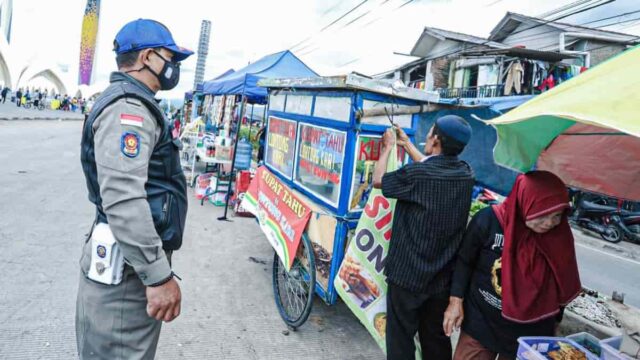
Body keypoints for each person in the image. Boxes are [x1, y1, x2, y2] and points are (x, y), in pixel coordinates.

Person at [76, 18, 193, 359]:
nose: (173, 67)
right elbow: (124, 200)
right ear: (146, 58)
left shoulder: (133, 103)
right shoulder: (129, 109)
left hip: (128, 263)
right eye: (169, 58)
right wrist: (158, 277)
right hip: (128, 272)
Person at [444, 171, 582, 359]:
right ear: (525, 202)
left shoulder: (558, 236)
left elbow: (562, 281)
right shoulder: (488, 221)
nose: (549, 223)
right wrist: (455, 301)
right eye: (542, 214)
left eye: (556, 215)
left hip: (530, 332)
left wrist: (556, 320)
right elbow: (464, 261)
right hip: (482, 321)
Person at [372, 115, 475, 360]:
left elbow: (378, 180)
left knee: (400, 341)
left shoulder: (417, 175)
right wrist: (407, 145)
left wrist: (387, 148)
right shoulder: (466, 174)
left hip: (406, 278)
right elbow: (432, 170)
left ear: (436, 139)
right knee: (436, 342)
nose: (426, 137)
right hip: (440, 280)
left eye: (430, 133)